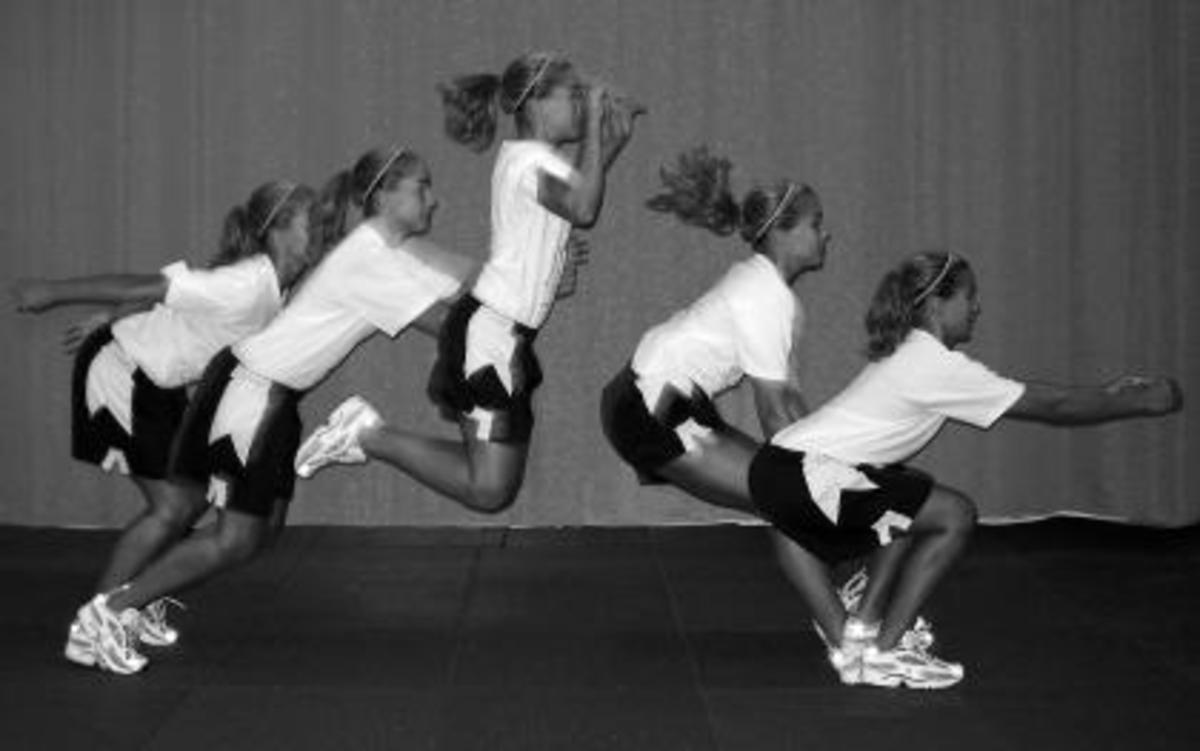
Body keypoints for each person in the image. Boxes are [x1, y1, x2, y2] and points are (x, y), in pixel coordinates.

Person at [69, 147, 470, 674]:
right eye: (421, 187)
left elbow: (465, 287)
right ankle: (107, 614)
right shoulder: (363, 259)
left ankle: (126, 604)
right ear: (384, 197)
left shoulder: (381, 251)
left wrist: (524, 280)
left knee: (261, 532)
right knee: (231, 535)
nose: (433, 200)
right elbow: (451, 324)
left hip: (275, 399)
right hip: (249, 393)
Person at [747, 250, 1183, 689]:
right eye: (969, 297)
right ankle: (884, 649)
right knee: (953, 514)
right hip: (802, 473)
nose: (977, 307)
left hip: (782, 470)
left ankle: (861, 630)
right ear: (937, 306)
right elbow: (1055, 406)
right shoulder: (932, 364)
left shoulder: (913, 353)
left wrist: (1108, 392)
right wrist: (1137, 401)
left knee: (909, 495)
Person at [295, 51, 638, 514]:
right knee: (489, 490)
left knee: (493, 488)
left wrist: (611, 142)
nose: (581, 102)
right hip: (489, 336)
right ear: (536, 103)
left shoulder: (541, 163)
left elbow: (578, 194)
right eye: (572, 94)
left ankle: (368, 434)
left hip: (505, 335)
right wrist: (597, 125)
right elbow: (583, 207)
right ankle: (366, 434)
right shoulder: (526, 165)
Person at [11, 180, 317, 673]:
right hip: (121, 370)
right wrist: (53, 293)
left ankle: (128, 605)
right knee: (174, 506)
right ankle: (94, 628)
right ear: (279, 230)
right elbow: (146, 284)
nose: (320, 231)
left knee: (190, 502)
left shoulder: (273, 285)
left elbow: (171, 300)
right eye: (311, 222)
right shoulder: (246, 282)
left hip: (156, 383)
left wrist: (112, 314)